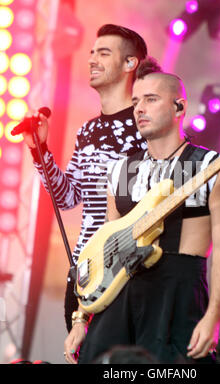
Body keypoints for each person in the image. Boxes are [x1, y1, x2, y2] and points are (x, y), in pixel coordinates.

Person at [63, 62, 220, 364]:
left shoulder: (214, 167)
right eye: (135, 101)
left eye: (151, 99)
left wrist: (213, 317)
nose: (139, 109)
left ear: (179, 106)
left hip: (178, 296)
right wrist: (82, 318)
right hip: (119, 300)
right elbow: (104, 250)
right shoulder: (120, 169)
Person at [22, 24, 151, 332]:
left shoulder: (145, 127)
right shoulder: (88, 130)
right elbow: (68, 198)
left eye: (103, 53)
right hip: (82, 274)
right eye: (92, 52)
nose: (92, 59)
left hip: (124, 277)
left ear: (130, 63)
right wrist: (40, 150)